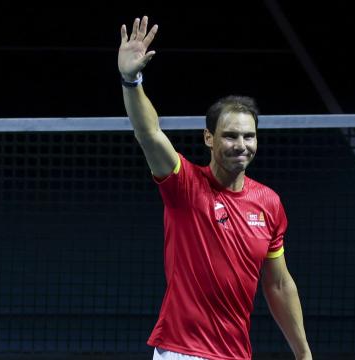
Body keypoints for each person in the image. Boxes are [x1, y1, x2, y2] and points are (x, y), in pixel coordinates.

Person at [117, 16, 312, 360]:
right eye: (230, 135)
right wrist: (131, 80)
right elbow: (148, 133)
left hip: (235, 354)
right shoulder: (185, 185)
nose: (241, 145)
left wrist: (304, 354)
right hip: (182, 351)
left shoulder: (268, 203)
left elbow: (278, 285)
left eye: (249, 136)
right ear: (209, 138)